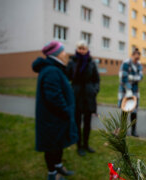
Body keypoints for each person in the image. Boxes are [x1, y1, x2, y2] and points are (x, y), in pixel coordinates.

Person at [32, 41, 78, 180]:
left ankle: (58, 166)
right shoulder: (51, 71)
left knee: (58, 144)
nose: (66, 54)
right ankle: (52, 174)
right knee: (51, 146)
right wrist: (66, 111)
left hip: (57, 118)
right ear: (56, 54)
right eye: (63, 51)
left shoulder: (55, 68)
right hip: (52, 119)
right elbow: (54, 98)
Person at [66, 40, 100, 156]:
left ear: (87, 49)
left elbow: (97, 79)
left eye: (83, 48)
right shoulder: (72, 62)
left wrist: (95, 90)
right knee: (77, 122)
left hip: (89, 96)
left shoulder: (91, 63)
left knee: (87, 122)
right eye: (79, 48)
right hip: (76, 95)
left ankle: (86, 144)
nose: (81, 50)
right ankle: (79, 146)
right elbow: (67, 78)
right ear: (77, 49)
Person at [118, 48, 143, 137]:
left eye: (138, 58)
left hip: (135, 90)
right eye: (136, 58)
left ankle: (133, 131)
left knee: (134, 111)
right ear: (132, 55)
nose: (137, 60)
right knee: (124, 110)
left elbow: (140, 77)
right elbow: (123, 77)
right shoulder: (125, 63)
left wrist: (131, 77)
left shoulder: (139, 65)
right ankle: (123, 130)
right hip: (125, 90)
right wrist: (128, 89)